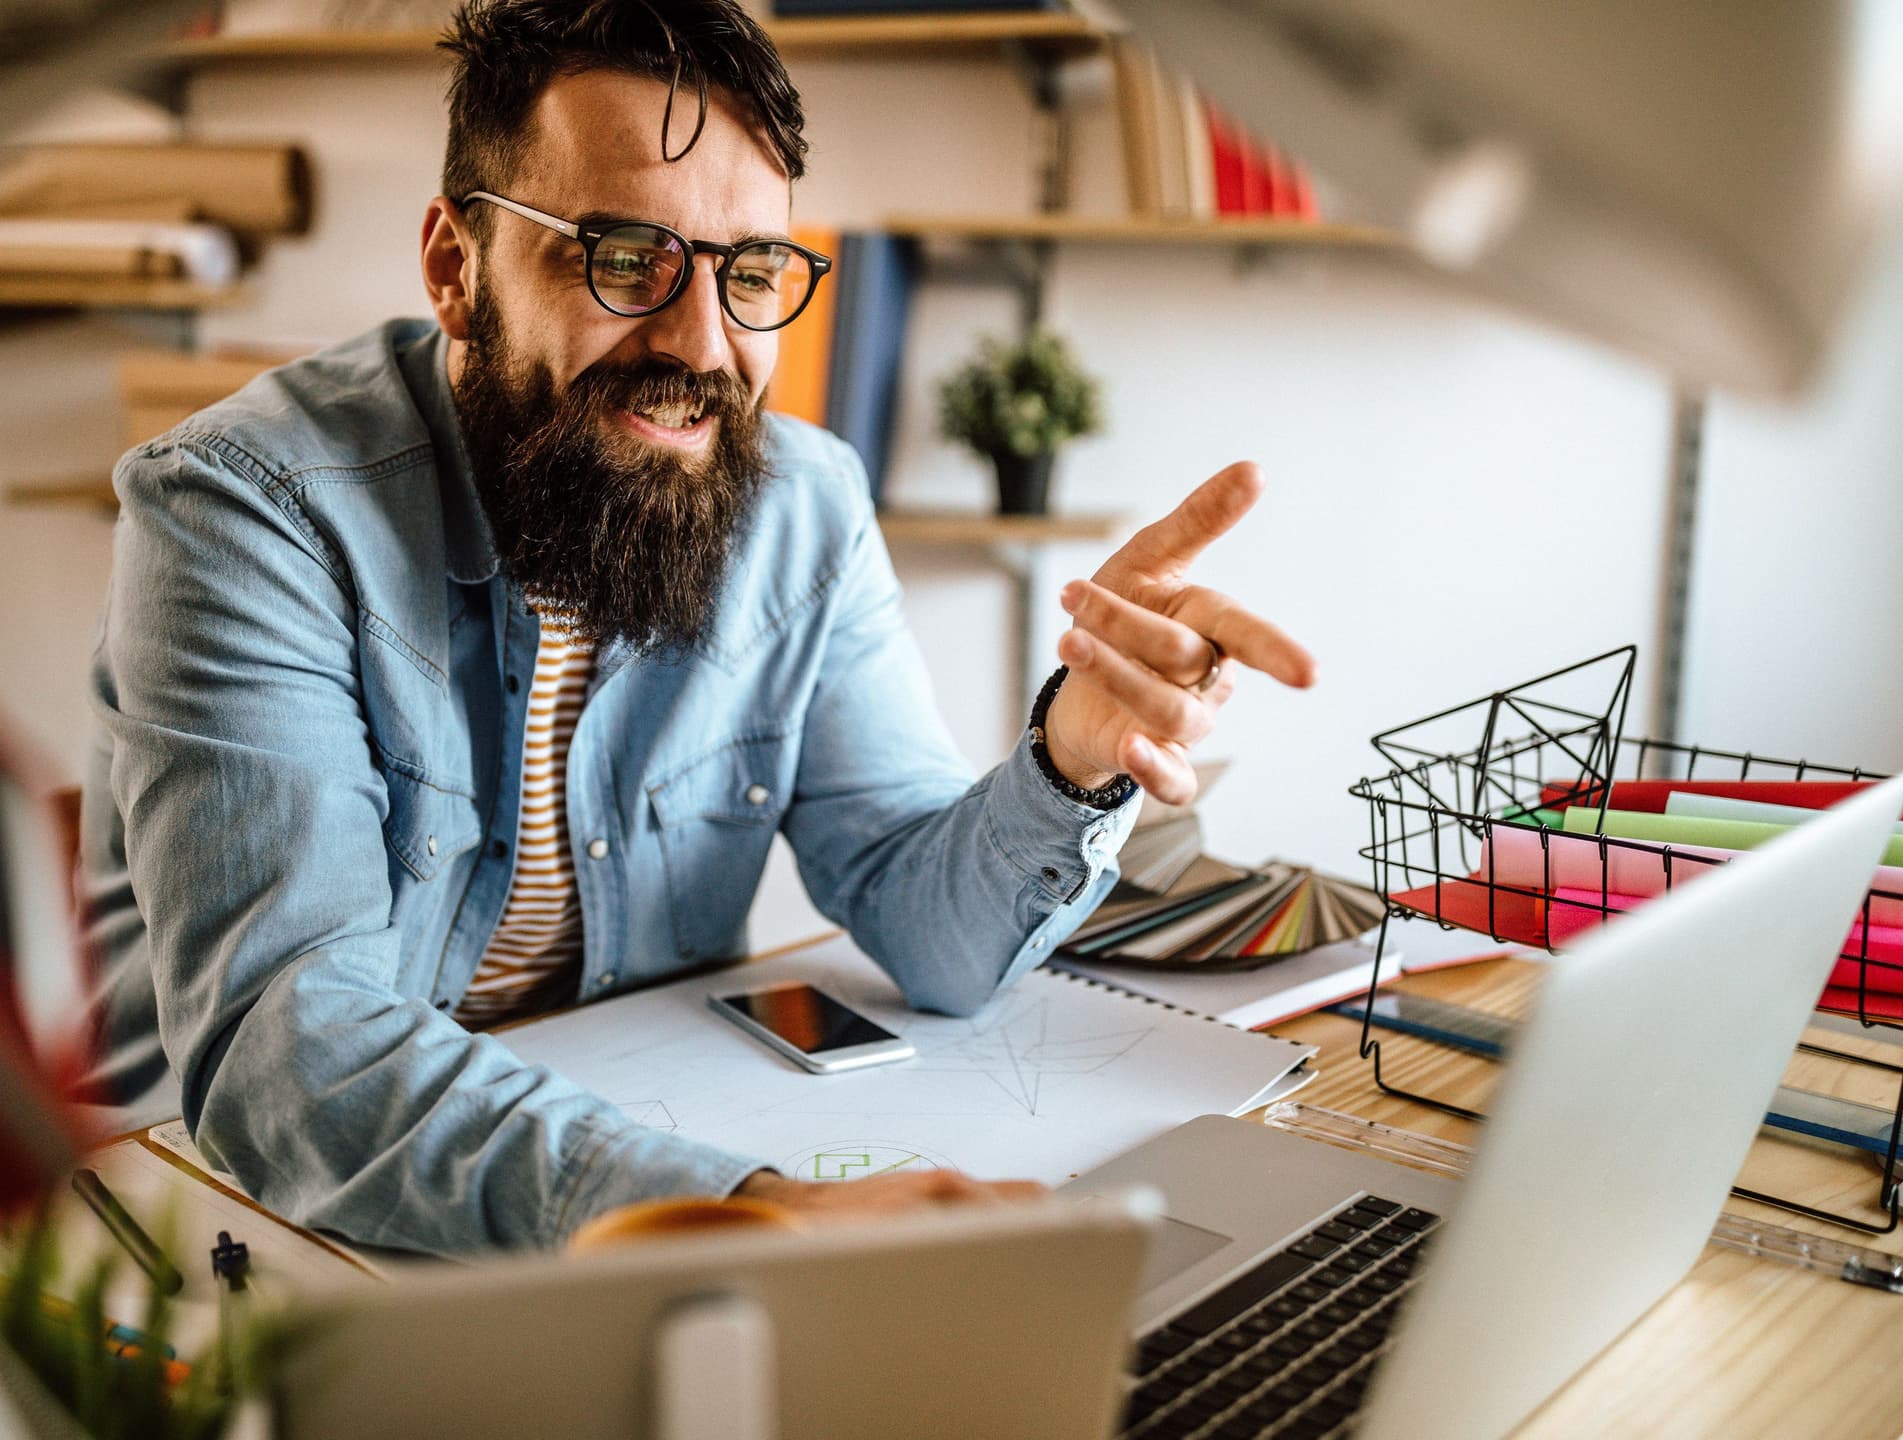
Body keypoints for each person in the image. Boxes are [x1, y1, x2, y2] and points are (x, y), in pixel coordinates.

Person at [76, 0, 1314, 1255]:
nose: (702, 345)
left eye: (752, 272)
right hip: (202, 1223)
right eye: (622, 258)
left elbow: (927, 931)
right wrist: (739, 1214)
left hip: (594, 1167)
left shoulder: (805, 508)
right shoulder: (244, 509)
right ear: (458, 267)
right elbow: (297, 1052)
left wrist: (1069, 761)